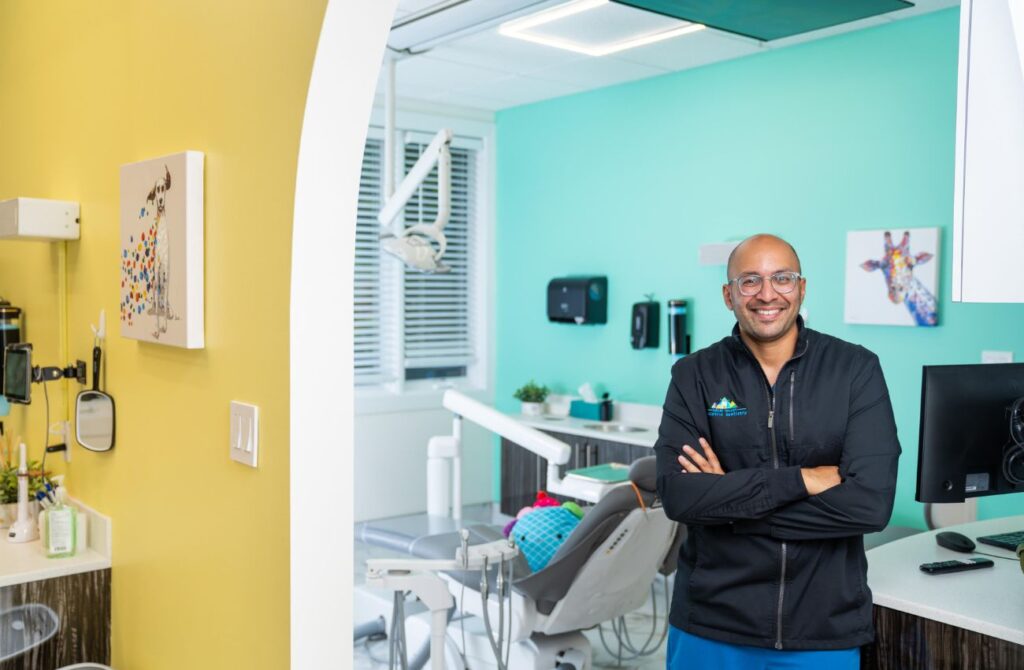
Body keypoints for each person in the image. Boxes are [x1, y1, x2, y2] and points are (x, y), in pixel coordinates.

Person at [655, 234, 900, 670]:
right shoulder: (694, 375)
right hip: (711, 624)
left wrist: (728, 506)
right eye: (750, 281)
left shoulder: (855, 370)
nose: (767, 294)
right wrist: (803, 480)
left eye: (782, 278)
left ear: (801, 288)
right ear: (728, 295)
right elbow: (679, 496)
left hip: (823, 629)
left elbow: (870, 506)